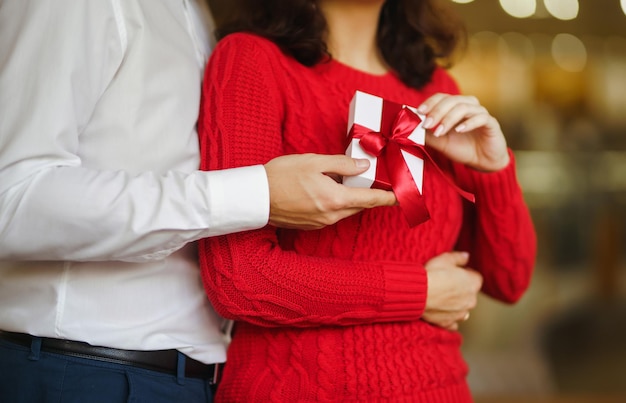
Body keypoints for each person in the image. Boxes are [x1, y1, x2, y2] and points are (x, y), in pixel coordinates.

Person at [0, 1, 398, 402]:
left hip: (195, 377)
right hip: (80, 369)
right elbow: (10, 196)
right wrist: (255, 194)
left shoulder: (199, 16)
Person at [197, 0, 537, 401]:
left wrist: (494, 169)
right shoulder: (252, 60)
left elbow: (509, 281)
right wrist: (421, 292)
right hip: (296, 389)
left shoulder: (436, 90)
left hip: (437, 387)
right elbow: (239, 280)